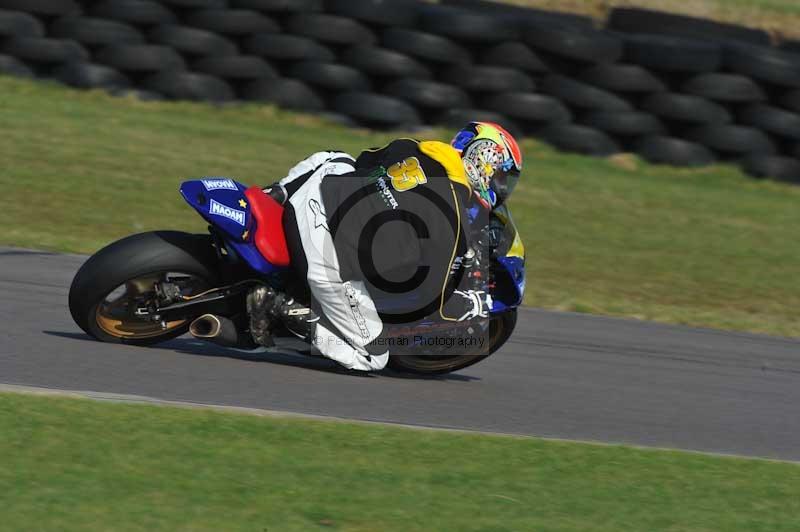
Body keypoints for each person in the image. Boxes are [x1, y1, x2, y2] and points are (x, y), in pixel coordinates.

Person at [250, 122, 523, 371]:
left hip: (315, 195)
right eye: (501, 177)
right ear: (484, 160)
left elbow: (364, 160)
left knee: (336, 157)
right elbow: (427, 295)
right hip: (323, 252)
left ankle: (275, 194)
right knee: (373, 355)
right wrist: (462, 305)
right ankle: (280, 307)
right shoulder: (454, 226)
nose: (501, 187)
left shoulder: (413, 147)